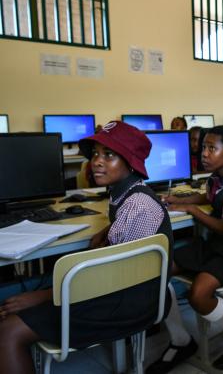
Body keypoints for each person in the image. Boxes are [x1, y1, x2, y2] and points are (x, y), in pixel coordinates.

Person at [0, 121, 173, 373]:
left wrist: (43, 296)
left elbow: (115, 277)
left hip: (129, 301)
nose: (97, 161)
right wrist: (109, 230)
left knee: (8, 332)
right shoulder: (126, 193)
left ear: (130, 161)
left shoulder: (138, 205)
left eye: (109, 155)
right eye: (95, 154)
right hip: (123, 290)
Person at [148, 125, 223, 373]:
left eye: (211, 148)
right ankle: (180, 340)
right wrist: (181, 201)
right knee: (157, 270)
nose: (204, 154)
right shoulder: (217, 178)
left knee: (198, 296)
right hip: (214, 245)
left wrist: (193, 212)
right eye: (203, 147)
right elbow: (209, 196)